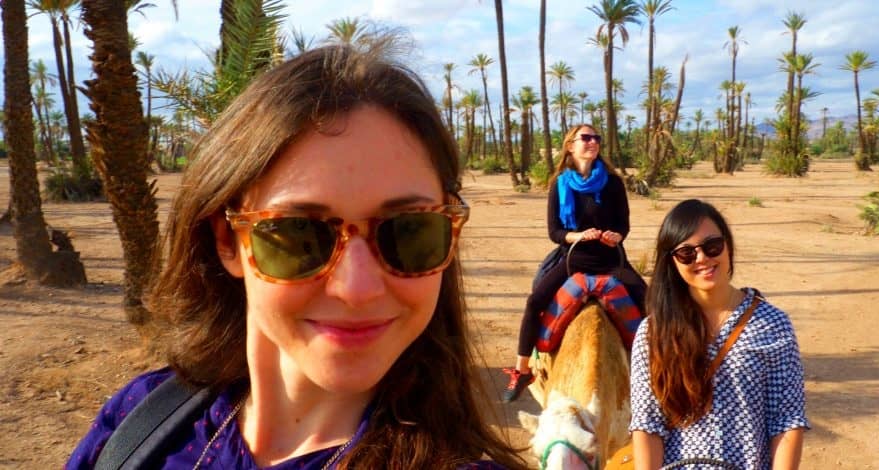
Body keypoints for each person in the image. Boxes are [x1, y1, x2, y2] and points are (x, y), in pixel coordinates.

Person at [66, 44, 527, 470]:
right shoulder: (141, 418)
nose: (357, 288)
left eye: (410, 231)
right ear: (228, 241)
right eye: (300, 234)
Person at [629, 199, 810, 470]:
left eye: (712, 246)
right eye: (687, 253)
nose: (702, 258)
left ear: (728, 246)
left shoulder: (773, 325)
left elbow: (786, 421)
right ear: (672, 262)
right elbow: (648, 424)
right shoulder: (654, 332)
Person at [501, 124, 647, 403]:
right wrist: (578, 235)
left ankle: (661, 370)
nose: (593, 142)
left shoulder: (613, 183)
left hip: (611, 261)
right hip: (573, 261)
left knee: (651, 303)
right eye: (586, 138)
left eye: (597, 138)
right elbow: (554, 232)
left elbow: (623, 225)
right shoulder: (560, 184)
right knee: (535, 302)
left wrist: (616, 235)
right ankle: (522, 370)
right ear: (571, 146)